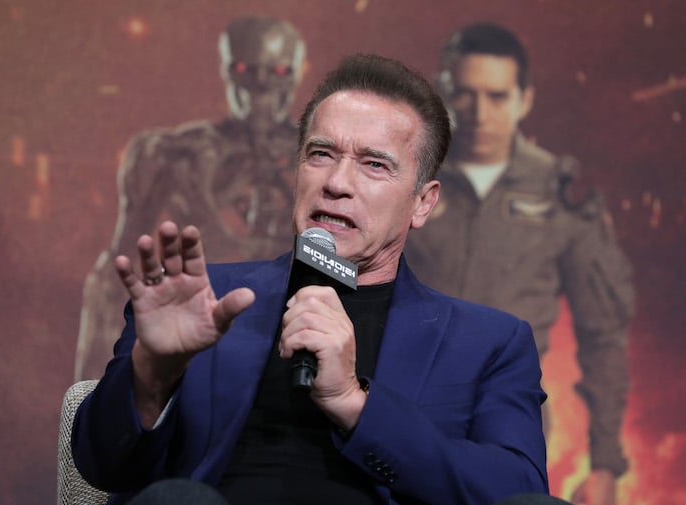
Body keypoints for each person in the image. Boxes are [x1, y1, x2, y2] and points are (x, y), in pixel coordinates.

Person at [72, 54, 549, 504]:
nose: (336, 183)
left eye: (374, 164)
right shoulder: (201, 299)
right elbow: (101, 465)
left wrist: (353, 403)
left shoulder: (488, 342)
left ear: (423, 202)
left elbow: (518, 492)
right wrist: (154, 372)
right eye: (321, 154)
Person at [403, 23, 635, 505]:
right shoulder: (401, 176)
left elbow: (603, 336)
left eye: (497, 96)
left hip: (505, 426)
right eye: (464, 94)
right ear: (442, 92)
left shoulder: (561, 194)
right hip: (399, 412)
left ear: (524, 100)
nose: (480, 113)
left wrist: (605, 463)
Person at [74, 16, 306, 380]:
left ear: (292, 74)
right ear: (228, 70)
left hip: (291, 339)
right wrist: (93, 393)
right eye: (246, 70)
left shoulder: (322, 155)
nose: (260, 88)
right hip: (196, 334)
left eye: (275, 72)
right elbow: (116, 271)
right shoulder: (174, 153)